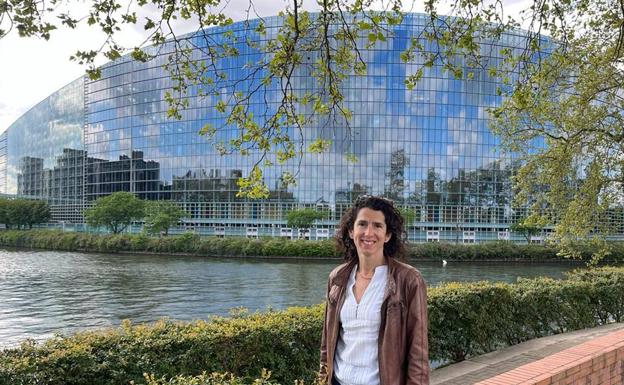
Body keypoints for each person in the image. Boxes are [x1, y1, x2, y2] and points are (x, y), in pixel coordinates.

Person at [319, 195, 429, 385]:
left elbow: (417, 352)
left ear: (387, 235)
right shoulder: (337, 278)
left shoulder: (409, 280)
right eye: (362, 224)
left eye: (377, 226)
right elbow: (326, 345)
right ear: (351, 232)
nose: (368, 233)